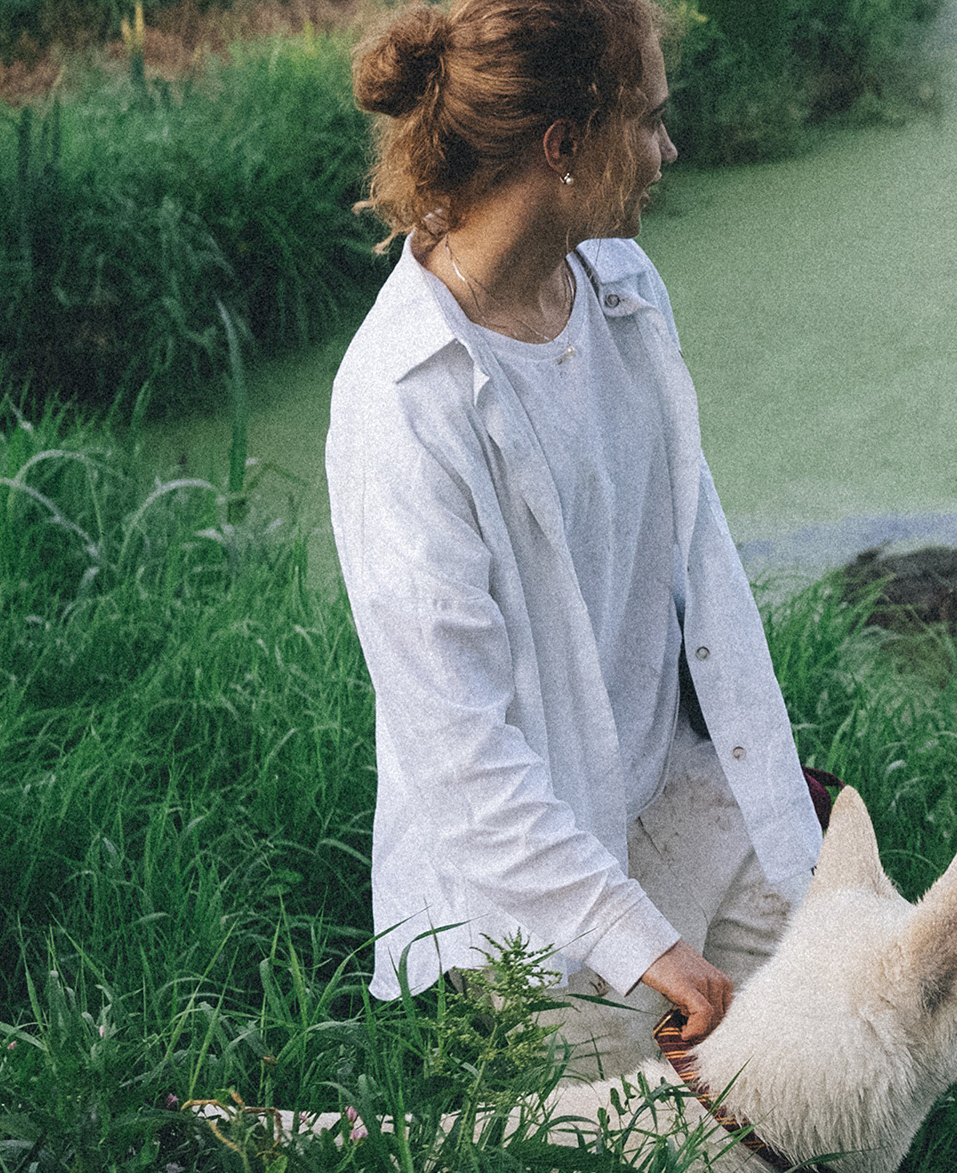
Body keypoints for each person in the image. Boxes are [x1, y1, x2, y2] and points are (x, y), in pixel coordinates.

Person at [327, 0, 823, 1076]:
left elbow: (691, 573)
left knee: (850, 1044)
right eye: (645, 121)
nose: (666, 149)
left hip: (671, 797)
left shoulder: (621, 292)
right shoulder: (404, 404)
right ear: (563, 146)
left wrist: (765, 782)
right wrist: (642, 940)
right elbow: (460, 760)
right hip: (521, 900)